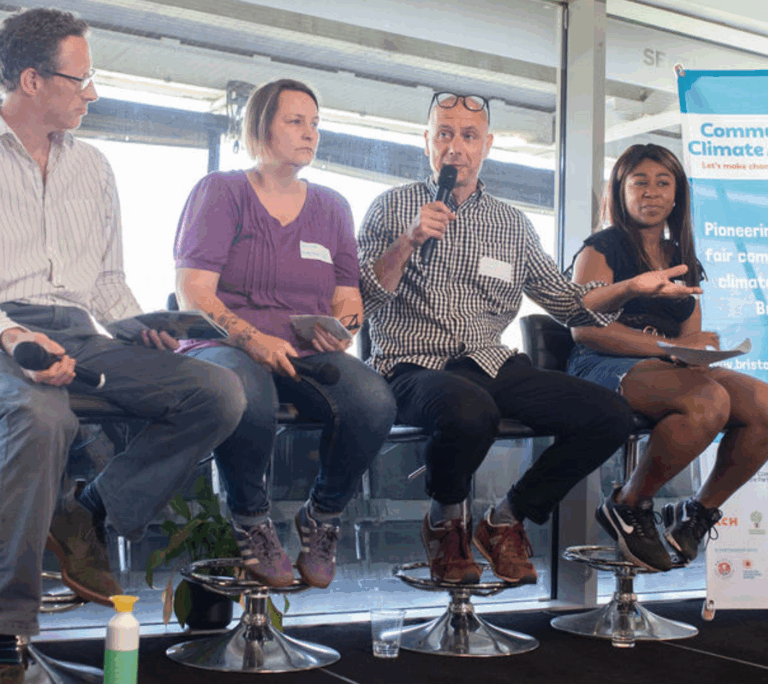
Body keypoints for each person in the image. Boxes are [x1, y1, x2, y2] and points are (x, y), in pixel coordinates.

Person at [0, 8, 246, 684]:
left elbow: (106, 282)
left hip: (83, 328)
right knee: (40, 416)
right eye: (80, 79)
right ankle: (5, 645)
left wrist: (139, 323)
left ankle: (90, 514)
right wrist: (16, 337)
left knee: (216, 390)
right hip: (3, 327)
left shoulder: (94, 166)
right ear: (31, 79)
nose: (93, 93)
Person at [357, 92, 701, 587]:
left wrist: (630, 288)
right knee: (469, 409)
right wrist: (408, 240)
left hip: (489, 362)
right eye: (445, 134)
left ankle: (505, 519)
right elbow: (362, 299)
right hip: (412, 366)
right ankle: (446, 522)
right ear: (427, 141)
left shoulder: (511, 224)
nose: (456, 147)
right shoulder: (391, 207)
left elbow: (567, 302)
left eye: (469, 136)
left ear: (487, 145)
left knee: (608, 415)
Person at [174, 78, 397, 592]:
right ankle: (251, 520)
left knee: (373, 399)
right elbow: (194, 292)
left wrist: (342, 329)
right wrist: (251, 338)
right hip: (225, 344)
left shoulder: (333, 206)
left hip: (303, 348)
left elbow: (348, 297)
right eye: (295, 122)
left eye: (315, 124)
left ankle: (323, 516)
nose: (309, 133)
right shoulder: (221, 191)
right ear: (261, 127)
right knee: (246, 392)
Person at [567, 143, 768, 572]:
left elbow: (689, 335)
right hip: (599, 365)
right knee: (707, 399)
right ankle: (629, 504)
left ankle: (697, 513)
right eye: (639, 182)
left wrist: (696, 351)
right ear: (620, 191)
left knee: (764, 404)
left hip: (666, 368)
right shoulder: (601, 247)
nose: (651, 192)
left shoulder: (682, 258)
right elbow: (584, 327)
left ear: (677, 195)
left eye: (663, 183)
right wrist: (664, 349)